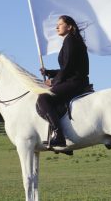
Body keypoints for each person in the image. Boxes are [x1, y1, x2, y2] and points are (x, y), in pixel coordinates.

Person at [37, 15, 90, 147]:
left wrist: (53, 81)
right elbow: (68, 66)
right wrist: (49, 72)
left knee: (43, 99)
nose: (56, 27)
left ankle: (59, 135)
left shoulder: (70, 41)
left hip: (75, 82)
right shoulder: (71, 40)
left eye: (60, 24)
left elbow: (67, 68)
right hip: (74, 79)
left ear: (69, 26)